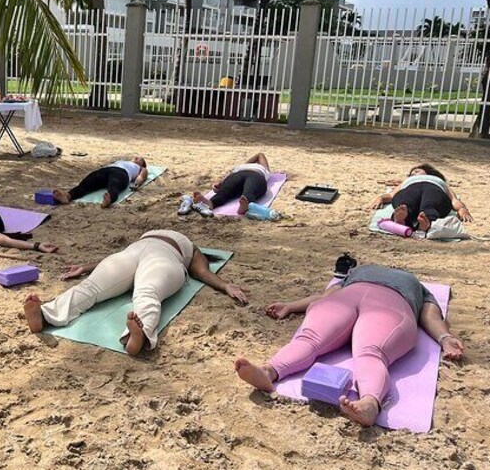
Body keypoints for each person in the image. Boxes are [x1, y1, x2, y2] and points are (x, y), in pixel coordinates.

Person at [234, 264, 465, 427]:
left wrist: (445, 338)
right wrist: (291, 306)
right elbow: (325, 295)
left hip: (392, 302)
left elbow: (431, 316)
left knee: (371, 351)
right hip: (349, 296)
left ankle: (369, 403)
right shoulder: (353, 275)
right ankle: (268, 371)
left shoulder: (419, 287)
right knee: (310, 338)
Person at [23, 229, 248, 356]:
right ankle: (44, 315)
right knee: (92, 285)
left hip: (165, 257)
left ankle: (137, 334)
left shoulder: (191, 248)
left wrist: (225, 285)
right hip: (132, 253)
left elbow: (201, 271)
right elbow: (113, 260)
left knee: (147, 292)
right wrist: (87, 266)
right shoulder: (163, 238)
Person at [370, 164, 472, 232]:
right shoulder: (407, 181)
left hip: (433, 188)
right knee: (405, 203)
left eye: (417, 171)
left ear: (428, 172)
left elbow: (453, 199)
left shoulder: (438, 181)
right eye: (411, 174)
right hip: (411, 188)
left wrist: (462, 209)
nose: (413, 174)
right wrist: (380, 198)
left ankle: (425, 221)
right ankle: (403, 219)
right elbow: (391, 195)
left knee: (431, 204)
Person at [180, 153, 270, 217]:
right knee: (225, 190)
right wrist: (220, 183)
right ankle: (211, 203)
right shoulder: (240, 167)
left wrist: (249, 164)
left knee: (250, 190)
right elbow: (227, 179)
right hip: (238, 174)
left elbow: (260, 155)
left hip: (256, 175)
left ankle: (245, 206)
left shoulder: (263, 169)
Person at [53, 157, 149, 208]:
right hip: (106, 170)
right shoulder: (123, 161)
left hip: (122, 173)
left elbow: (142, 175)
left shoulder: (140, 168)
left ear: (142, 164)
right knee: (87, 182)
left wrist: (137, 183)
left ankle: (109, 199)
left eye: (140, 159)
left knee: (114, 185)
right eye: (136, 157)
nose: (137, 158)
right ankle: (68, 196)